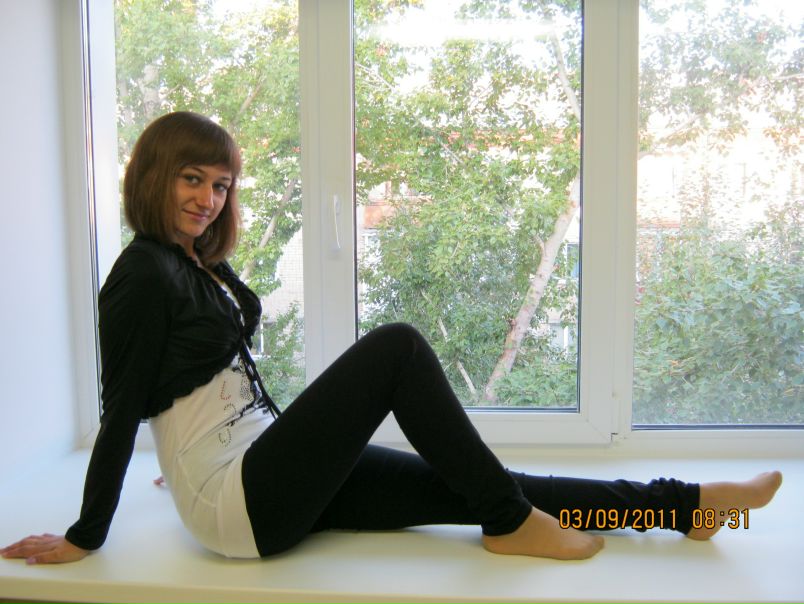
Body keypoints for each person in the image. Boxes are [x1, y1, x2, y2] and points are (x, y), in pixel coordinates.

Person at [1, 112, 782, 565]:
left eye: (221, 184)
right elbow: (124, 404)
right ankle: (511, 526)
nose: (209, 198)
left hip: (260, 470)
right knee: (399, 347)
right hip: (239, 504)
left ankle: (682, 507)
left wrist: (182, 458)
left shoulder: (192, 263)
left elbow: (196, 388)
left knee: (478, 481)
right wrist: (85, 536)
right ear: (154, 176)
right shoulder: (142, 272)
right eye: (191, 179)